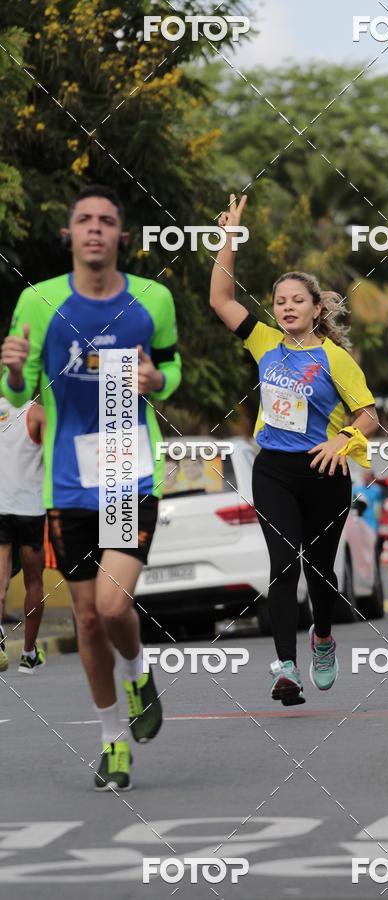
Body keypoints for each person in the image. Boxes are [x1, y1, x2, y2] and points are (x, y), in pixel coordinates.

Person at [0, 184, 181, 790]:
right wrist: (10, 365)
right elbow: (19, 388)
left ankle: (136, 671)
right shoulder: (38, 299)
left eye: (107, 221)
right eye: (85, 220)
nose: (96, 229)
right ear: (70, 234)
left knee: (111, 605)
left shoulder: (151, 299)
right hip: (67, 482)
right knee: (86, 617)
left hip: (125, 470)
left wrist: (157, 378)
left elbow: (170, 366)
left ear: (121, 236)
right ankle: (112, 739)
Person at [210, 195, 379, 705]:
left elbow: (368, 414)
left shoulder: (335, 358)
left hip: (324, 472)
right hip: (275, 470)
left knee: (320, 572)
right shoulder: (264, 342)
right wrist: (229, 240)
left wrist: (343, 440)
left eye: (297, 300)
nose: (286, 306)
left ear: (316, 309)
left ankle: (323, 638)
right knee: (282, 566)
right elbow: (221, 299)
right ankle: (285, 667)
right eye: (280, 300)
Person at [0, 400, 46, 673]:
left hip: (1, 507)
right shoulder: (37, 413)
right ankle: (29, 652)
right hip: (31, 509)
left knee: (1, 578)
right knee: (34, 581)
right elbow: (55, 456)